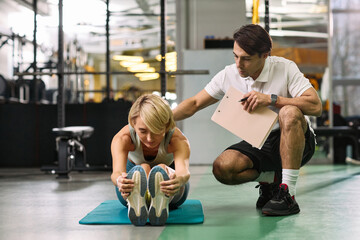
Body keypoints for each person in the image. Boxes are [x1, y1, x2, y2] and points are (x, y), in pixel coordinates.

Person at [173, 24, 322, 216]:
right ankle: (271, 180)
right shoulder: (229, 74)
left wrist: (272, 99)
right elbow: (194, 103)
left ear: (265, 55)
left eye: (246, 59)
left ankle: (288, 195)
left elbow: (315, 106)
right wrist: (158, 119)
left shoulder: (285, 68)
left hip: (297, 141)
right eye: (235, 56)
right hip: (260, 141)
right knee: (223, 168)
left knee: (289, 112)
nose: (239, 64)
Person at [111, 94, 190, 226]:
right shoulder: (123, 138)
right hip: (130, 187)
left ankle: (162, 198)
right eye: (142, 131)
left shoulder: (178, 139)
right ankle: (139, 198)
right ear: (132, 123)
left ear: (167, 126)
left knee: (161, 168)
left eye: (157, 131)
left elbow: (183, 172)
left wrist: (177, 180)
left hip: (172, 190)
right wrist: (121, 181)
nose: (149, 139)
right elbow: (116, 173)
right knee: (142, 168)